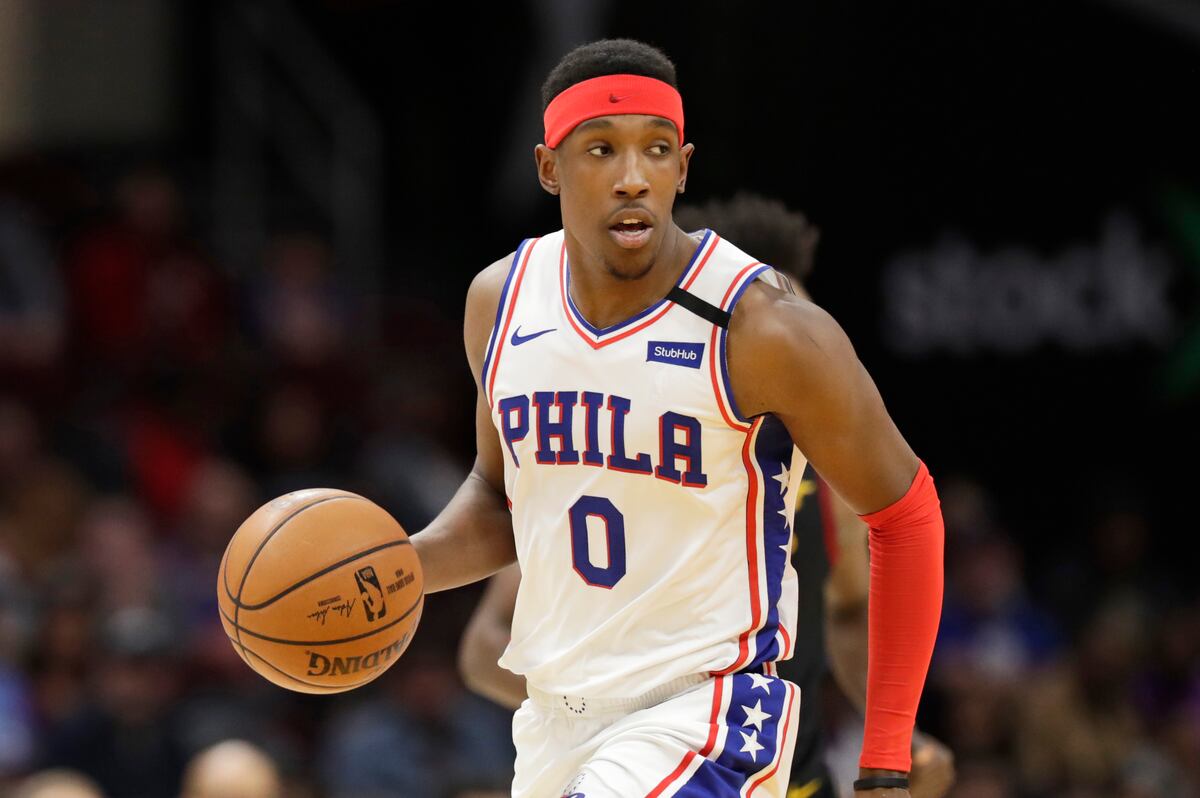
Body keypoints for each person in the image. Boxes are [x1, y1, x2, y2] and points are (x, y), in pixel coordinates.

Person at [411, 39, 944, 798]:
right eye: (602, 150)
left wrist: (887, 759)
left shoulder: (762, 326)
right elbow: (500, 502)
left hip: (709, 716)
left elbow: (906, 513)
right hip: (555, 722)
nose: (633, 177)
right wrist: (398, 570)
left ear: (683, 168)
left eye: (657, 151)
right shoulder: (501, 301)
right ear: (549, 168)